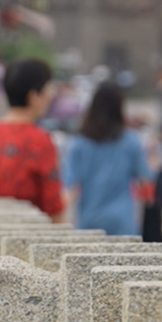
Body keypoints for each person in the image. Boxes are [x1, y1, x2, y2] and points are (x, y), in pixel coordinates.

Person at [0, 58, 63, 219]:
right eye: (47, 90)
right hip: (31, 235)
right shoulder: (40, 141)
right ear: (33, 96)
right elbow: (53, 205)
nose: (50, 96)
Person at [62, 83, 150, 237]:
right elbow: (145, 176)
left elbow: (70, 184)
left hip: (89, 218)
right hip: (122, 219)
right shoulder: (131, 140)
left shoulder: (79, 142)